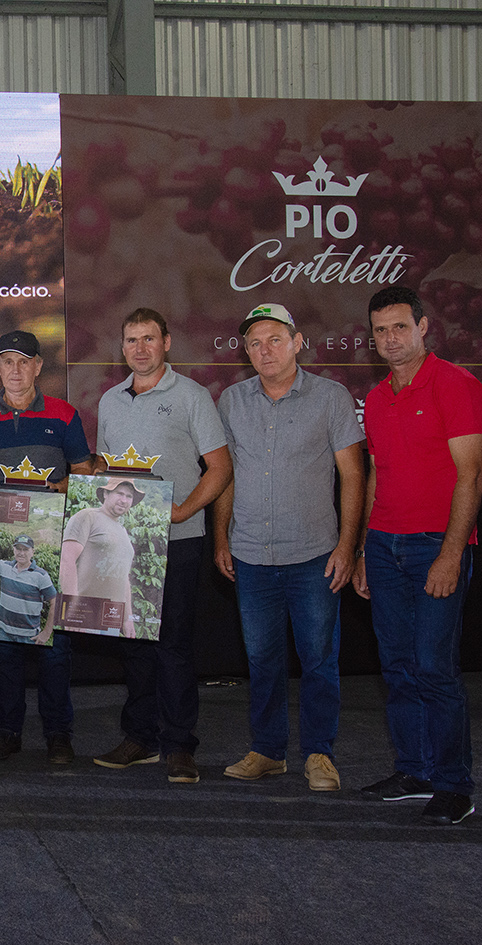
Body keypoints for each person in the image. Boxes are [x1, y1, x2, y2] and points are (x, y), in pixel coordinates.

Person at [212, 304, 365, 793]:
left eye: (275, 339)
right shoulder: (232, 401)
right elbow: (226, 476)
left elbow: (354, 476)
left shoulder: (331, 397)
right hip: (252, 553)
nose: (265, 350)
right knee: (261, 660)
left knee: (319, 659)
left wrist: (348, 546)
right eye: (255, 343)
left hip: (315, 554)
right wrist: (221, 537)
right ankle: (268, 751)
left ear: (298, 342)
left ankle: (319, 753)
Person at [354, 286, 482, 825]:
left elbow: (472, 474)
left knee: (435, 668)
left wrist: (452, 554)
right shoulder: (379, 396)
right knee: (398, 666)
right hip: (384, 546)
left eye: (400, 328)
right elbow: (376, 475)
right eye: (381, 330)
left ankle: (454, 785)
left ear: (424, 327)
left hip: (437, 544)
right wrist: (364, 548)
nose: (390, 338)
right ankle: (414, 770)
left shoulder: (456, 384)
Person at [92, 307, 232, 784]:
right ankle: (141, 737)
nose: (140, 348)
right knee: (133, 642)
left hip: (177, 542)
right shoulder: (110, 401)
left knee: (173, 646)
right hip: (124, 542)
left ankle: (179, 745)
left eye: (149, 339)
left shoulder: (192, 396)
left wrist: (185, 509)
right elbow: (105, 471)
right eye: (131, 340)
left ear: (167, 343)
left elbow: (220, 467)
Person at [0, 329, 94, 765]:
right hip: (8, 538)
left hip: (51, 543)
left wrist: (63, 486)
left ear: (38, 366)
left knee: (55, 648)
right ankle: (7, 731)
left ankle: (59, 734)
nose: (14, 370)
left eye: (23, 361)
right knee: (3, 648)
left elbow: (83, 471)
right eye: (6, 361)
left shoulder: (63, 414)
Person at [60, 480, 143, 637]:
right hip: (86, 612)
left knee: (104, 659)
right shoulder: (87, 516)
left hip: (111, 616)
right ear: (106, 493)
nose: (124, 500)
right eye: (119, 493)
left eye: (129, 496)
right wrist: (73, 609)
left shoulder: (123, 531)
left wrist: (127, 618)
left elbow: (123, 578)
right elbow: (66, 561)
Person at [0, 536, 57, 643]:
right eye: (18, 549)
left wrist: (46, 633)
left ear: (32, 552)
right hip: (4, 634)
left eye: (25, 549)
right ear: (13, 550)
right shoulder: (4, 567)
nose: (21, 553)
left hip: (28, 638)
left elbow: (56, 602)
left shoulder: (41, 576)